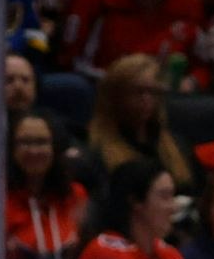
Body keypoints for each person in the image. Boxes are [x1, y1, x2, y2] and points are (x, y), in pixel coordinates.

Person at [0, 106, 94, 259]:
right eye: (24, 142)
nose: (34, 151)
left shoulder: (76, 194)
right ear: (11, 149)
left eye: (41, 142)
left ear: (55, 148)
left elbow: (83, 258)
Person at [83, 50, 194, 201]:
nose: (147, 99)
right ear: (114, 98)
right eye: (138, 92)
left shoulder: (178, 146)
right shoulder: (95, 155)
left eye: (153, 92)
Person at [65, 0, 203, 76]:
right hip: (101, 87)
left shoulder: (189, 4)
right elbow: (68, 57)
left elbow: (203, 65)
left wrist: (191, 82)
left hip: (164, 95)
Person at [74, 154, 184, 259]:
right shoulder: (107, 255)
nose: (173, 207)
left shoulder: (170, 257)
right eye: (164, 196)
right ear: (135, 201)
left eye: (172, 196)